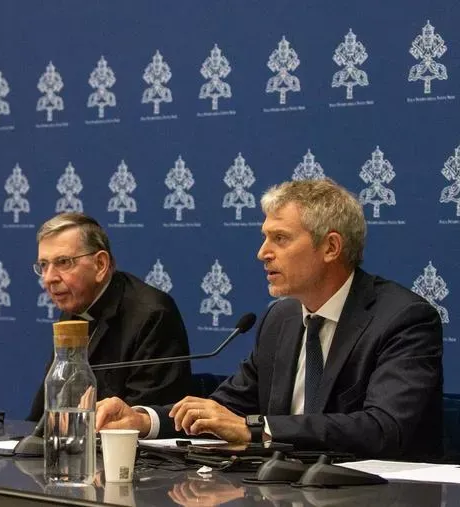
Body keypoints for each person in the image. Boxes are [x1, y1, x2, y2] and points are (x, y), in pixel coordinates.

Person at [96, 179, 443, 460]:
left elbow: (383, 428)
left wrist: (257, 430)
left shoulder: (402, 319)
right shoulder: (282, 318)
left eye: (280, 238)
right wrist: (142, 420)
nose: (262, 252)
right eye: (265, 238)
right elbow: (226, 408)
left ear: (331, 248)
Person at [27, 212, 192, 421]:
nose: (49, 278)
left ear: (101, 265)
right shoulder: (74, 309)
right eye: (43, 265)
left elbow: (145, 416)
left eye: (63, 262)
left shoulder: (152, 315)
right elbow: (46, 413)